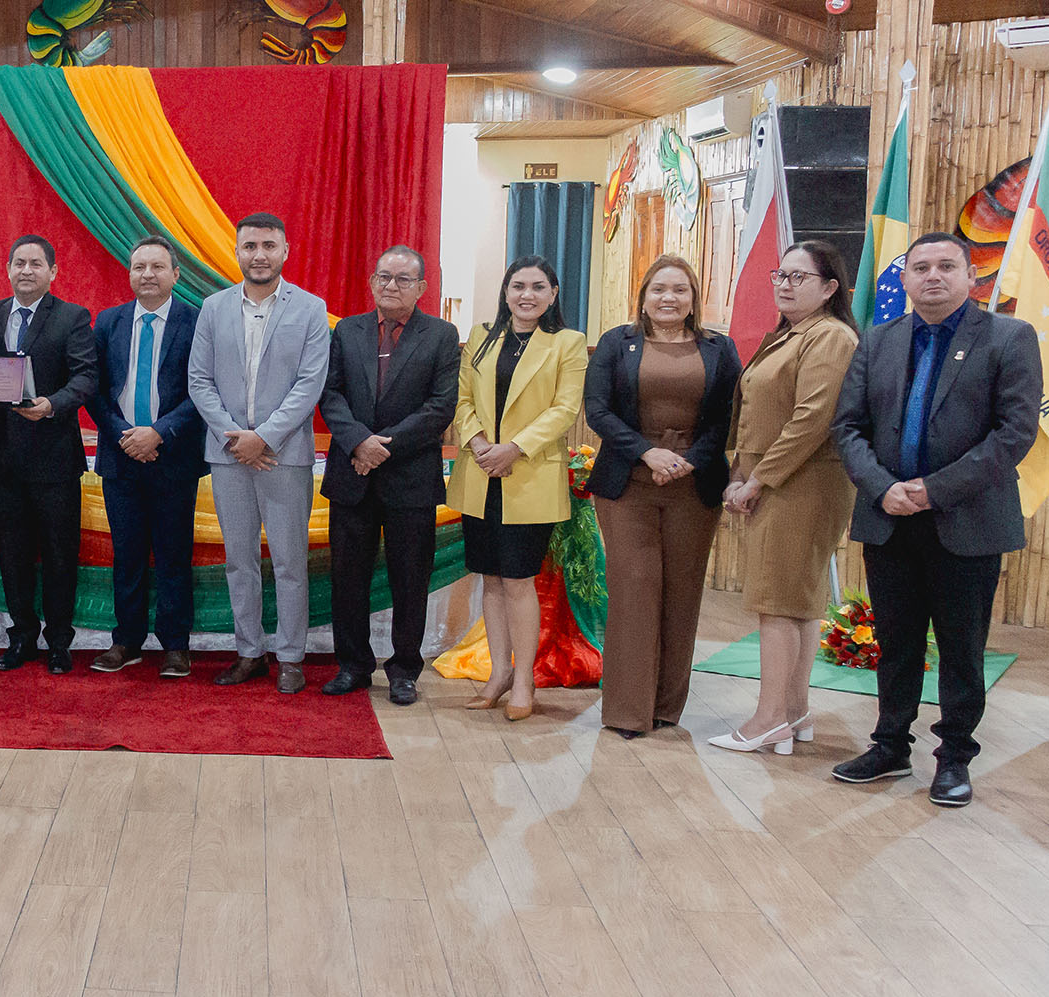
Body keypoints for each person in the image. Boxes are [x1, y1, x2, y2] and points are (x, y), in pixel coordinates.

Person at [830, 233, 1040, 806]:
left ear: (971, 276)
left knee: (961, 648)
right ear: (905, 279)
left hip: (966, 519)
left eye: (947, 266)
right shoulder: (877, 340)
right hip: (889, 517)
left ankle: (954, 759)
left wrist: (933, 490)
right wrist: (884, 488)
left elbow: (1015, 433)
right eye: (920, 267)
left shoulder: (1009, 338)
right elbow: (848, 427)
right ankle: (890, 746)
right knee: (896, 643)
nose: (933, 276)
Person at [707, 239, 859, 755]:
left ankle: (768, 719)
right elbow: (755, 413)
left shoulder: (831, 336)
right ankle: (794, 711)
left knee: (777, 604)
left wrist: (757, 480)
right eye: (781, 275)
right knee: (796, 603)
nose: (785, 285)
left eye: (799, 277)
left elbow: (812, 419)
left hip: (804, 482)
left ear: (830, 287)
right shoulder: (790, 334)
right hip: (781, 479)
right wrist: (740, 470)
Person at [585, 256, 742, 738]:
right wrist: (647, 452)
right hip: (627, 483)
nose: (668, 298)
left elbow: (728, 416)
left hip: (693, 485)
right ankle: (626, 711)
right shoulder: (616, 342)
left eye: (679, 289)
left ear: (693, 299)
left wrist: (691, 459)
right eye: (658, 289)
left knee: (681, 593)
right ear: (644, 296)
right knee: (633, 590)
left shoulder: (720, 348)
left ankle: (665, 708)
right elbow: (598, 410)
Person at [187, 212, 330, 694]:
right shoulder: (213, 307)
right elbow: (199, 380)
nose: (259, 255)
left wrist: (264, 437)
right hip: (228, 454)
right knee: (239, 560)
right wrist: (236, 438)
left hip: (283, 455)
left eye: (269, 246)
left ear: (285, 250)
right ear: (237, 252)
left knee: (289, 562)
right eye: (250, 246)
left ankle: (290, 656)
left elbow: (309, 383)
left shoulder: (310, 309)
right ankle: (249, 651)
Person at [446, 256, 588, 722]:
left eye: (537, 287)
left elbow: (565, 410)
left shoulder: (567, 343)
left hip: (528, 476)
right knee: (489, 577)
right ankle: (498, 673)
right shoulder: (482, 336)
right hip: (480, 472)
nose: (527, 295)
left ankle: (524, 679)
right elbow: (462, 399)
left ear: (553, 293)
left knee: (518, 580)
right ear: (505, 291)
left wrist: (514, 448)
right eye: (518, 286)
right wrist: (479, 443)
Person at [318, 246, 461, 704]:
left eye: (403, 279)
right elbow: (330, 394)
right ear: (372, 282)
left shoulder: (441, 335)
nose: (391, 286)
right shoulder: (347, 330)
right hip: (352, 475)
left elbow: (440, 407)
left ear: (421, 288)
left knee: (410, 581)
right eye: (383, 277)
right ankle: (353, 665)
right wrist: (358, 442)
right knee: (348, 579)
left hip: (410, 479)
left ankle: (404, 671)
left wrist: (380, 449)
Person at [0, 235, 98, 674]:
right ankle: (22, 636)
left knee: (60, 555)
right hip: (5, 458)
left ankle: (59, 641)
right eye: (19, 263)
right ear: (7, 269)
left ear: (53, 272)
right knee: (13, 555)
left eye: (36, 263)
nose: (26, 270)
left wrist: (52, 404)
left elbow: (86, 377)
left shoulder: (71, 317)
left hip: (55, 459)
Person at [87, 236, 204, 679]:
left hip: (174, 457)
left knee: (174, 555)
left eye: (157, 267)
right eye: (139, 267)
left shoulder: (196, 322)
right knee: (127, 554)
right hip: (120, 456)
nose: (148, 275)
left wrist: (158, 432)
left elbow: (204, 390)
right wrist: (124, 434)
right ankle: (126, 641)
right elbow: (94, 389)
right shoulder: (109, 321)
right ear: (130, 274)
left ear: (176, 274)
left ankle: (175, 644)